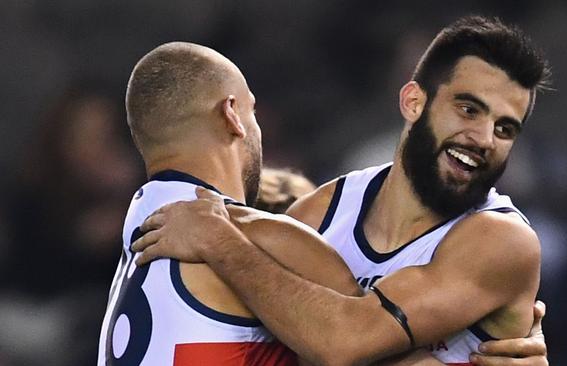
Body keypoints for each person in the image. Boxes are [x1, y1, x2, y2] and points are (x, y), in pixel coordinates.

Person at [133, 16, 550, 365]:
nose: (484, 138)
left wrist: (220, 240)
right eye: (468, 109)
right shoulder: (323, 211)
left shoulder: (501, 241)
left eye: (505, 128)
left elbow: (343, 343)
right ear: (413, 102)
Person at [97, 42, 368, 365]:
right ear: (231, 115)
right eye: (250, 111)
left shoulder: (137, 233)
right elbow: (368, 341)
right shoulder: (263, 238)